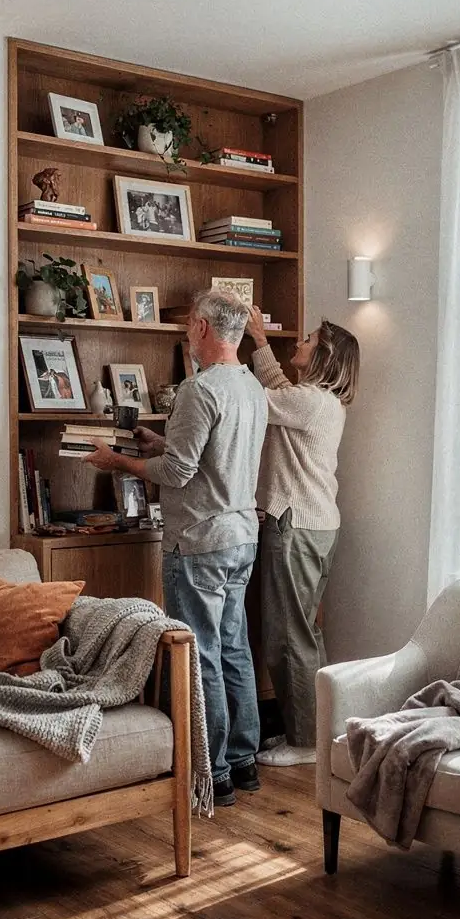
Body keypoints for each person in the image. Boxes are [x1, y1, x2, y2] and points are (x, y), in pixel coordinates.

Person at [83, 290, 268, 806]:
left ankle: (215, 772)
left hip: (199, 540)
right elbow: (212, 460)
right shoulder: (252, 388)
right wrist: (160, 444)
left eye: (190, 325)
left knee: (201, 652)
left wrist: (117, 462)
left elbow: (179, 473)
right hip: (242, 536)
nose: (188, 333)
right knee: (234, 648)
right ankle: (245, 760)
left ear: (206, 329)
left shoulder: (198, 389)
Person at [245, 305, 359, 766]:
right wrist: (258, 340)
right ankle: (311, 730)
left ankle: (305, 742)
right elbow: (277, 386)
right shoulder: (313, 400)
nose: (300, 341)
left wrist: (233, 353)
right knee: (303, 633)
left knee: (288, 636)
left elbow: (253, 399)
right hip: (312, 524)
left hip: (294, 525)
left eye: (309, 339)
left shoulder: (309, 402)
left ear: (324, 356)